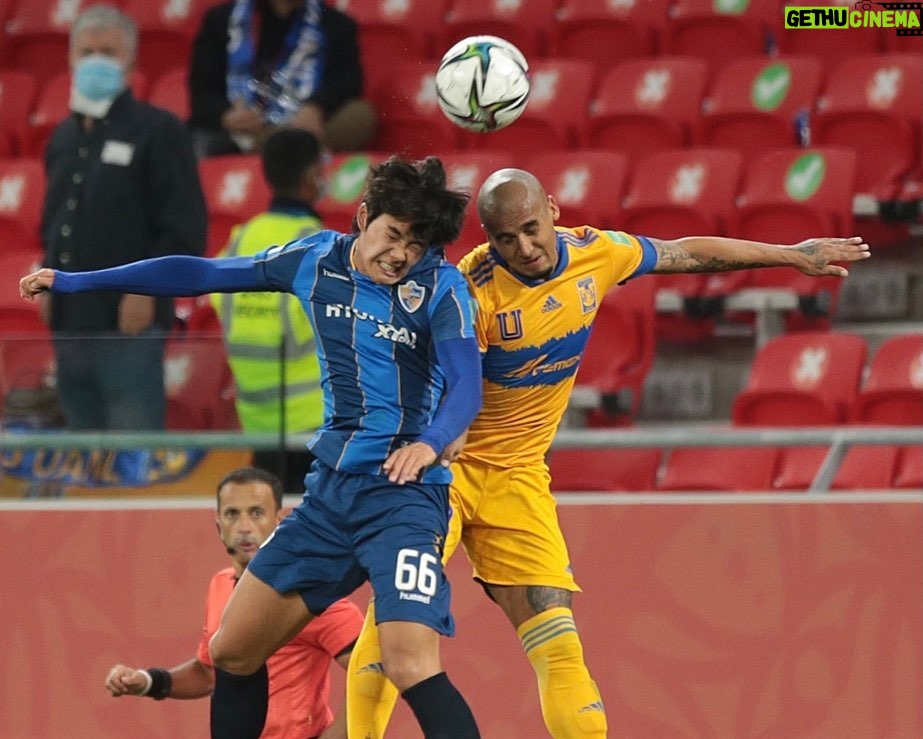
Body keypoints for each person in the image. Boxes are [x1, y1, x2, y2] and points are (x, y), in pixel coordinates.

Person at [343, 168, 873, 738]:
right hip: (444, 472)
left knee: (557, 636)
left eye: (530, 228)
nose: (523, 248)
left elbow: (685, 254)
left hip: (517, 478)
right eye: (504, 238)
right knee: (394, 624)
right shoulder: (471, 291)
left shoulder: (597, 253)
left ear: (553, 209)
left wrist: (792, 254)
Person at [21, 155, 483, 739]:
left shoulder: (443, 289)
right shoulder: (315, 260)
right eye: (393, 234)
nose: (401, 254)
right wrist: (77, 281)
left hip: (405, 501)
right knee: (233, 651)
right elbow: (201, 274)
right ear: (363, 216)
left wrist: (432, 442)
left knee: (410, 662)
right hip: (329, 500)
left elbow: (468, 385)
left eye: (416, 245)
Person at [104, 466, 363, 739]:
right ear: (219, 526)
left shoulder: (306, 594)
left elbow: (371, 665)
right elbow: (211, 674)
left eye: (256, 513)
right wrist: (147, 682)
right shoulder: (220, 584)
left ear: (280, 522)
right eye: (232, 514)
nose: (244, 527)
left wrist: (341, 734)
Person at [41, 4, 207, 432]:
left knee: (132, 447)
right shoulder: (62, 136)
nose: (96, 60)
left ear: (130, 62)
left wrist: (147, 290)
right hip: (69, 322)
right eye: (87, 50)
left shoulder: (159, 129)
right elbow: (55, 219)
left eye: (108, 52)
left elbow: (185, 226)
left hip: (127, 322)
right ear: (70, 60)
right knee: (83, 453)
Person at [211, 128, 327, 492]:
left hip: (259, 428)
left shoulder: (240, 240)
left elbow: (218, 301)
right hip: (315, 426)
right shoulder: (315, 244)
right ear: (311, 177)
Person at [188, 0, 378, 159]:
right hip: (233, 131)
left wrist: (317, 106)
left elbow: (348, 82)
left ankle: (276, 145)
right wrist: (225, 116)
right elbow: (202, 91)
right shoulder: (221, 21)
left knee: (359, 115)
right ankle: (278, 148)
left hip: (302, 125)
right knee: (194, 145)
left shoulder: (336, 25)